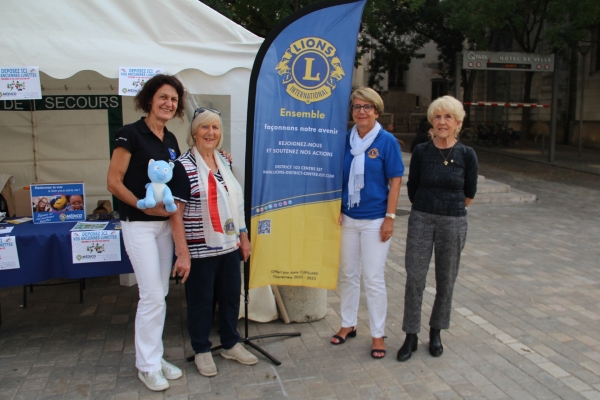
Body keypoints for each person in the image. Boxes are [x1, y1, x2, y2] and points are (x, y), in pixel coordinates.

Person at [106, 74, 185, 391]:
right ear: (150, 99)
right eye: (164, 97)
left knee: (160, 295)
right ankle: (147, 365)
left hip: (164, 227)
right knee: (151, 295)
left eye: (174, 100)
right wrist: (142, 206)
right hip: (138, 226)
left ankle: (153, 355)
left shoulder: (170, 140)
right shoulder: (129, 134)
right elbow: (113, 182)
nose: (169, 104)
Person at [169, 106, 257, 378]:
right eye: (204, 127)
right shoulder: (181, 167)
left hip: (230, 246)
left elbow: (236, 204)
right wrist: (182, 254)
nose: (210, 132)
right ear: (194, 132)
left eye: (215, 127)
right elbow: (175, 214)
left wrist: (243, 237)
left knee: (231, 297)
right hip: (200, 249)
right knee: (201, 302)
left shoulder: (225, 162)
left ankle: (230, 343)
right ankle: (202, 350)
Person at [397, 95, 478, 362]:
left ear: (458, 123)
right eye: (437, 116)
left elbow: (469, 193)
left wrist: (449, 209)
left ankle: (436, 331)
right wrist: (427, 206)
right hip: (421, 218)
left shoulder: (467, 154)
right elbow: (413, 187)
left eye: (448, 117)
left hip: (453, 221)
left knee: (446, 280)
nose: (442, 122)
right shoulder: (421, 151)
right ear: (432, 121)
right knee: (415, 277)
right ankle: (410, 334)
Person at [331, 87, 404, 359]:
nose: (361, 112)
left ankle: (377, 334)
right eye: (357, 107)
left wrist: (390, 218)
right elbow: (335, 177)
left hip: (375, 220)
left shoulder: (386, 142)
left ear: (377, 111)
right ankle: (348, 324)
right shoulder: (345, 140)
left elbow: (395, 180)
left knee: (373, 278)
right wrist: (336, 207)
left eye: (367, 107)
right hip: (348, 217)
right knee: (348, 274)